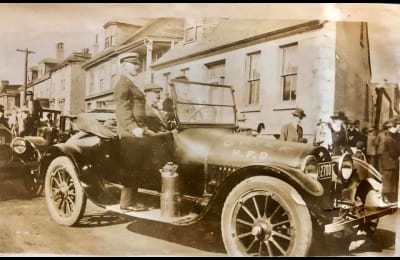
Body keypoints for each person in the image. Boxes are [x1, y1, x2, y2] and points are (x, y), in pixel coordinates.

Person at [114, 52, 150, 212]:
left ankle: (132, 201)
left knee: (137, 166)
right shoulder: (123, 84)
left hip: (138, 131)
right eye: (133, 64)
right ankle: (127, 203)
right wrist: (133, 127)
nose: (137, 66)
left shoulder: (131, 83)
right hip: (130, 133)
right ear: (123, 66)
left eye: (138, 63)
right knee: (131, 167)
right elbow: (122, 109)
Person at [380, 118, 400, 203]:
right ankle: (386, 197)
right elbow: (394, 152)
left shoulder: (391, 137)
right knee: (388, 181)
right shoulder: (389, 139)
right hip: (389, 163)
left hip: (390, 163)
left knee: (391, 181)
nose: (398, 129)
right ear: (391, 127)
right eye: (397, 127)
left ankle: (390, 198)